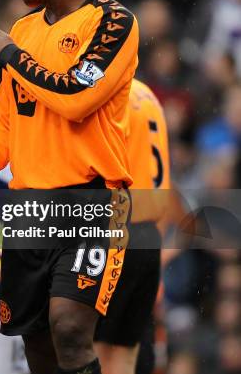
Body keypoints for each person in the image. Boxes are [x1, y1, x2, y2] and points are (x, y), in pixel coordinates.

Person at [0, 0, 139, 374]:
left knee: (69, 329)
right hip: (28, 206)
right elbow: (7, 116)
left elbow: (76, 97)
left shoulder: (113, 20)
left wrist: (11, 56)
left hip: (91, 199)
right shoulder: (23, 29)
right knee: (36, 343)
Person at [94, 79, 170, 374]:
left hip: (116, 232)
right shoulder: (148, 94)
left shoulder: (111, 94)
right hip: (149, 236)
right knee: (125, 354)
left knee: (96, 349)